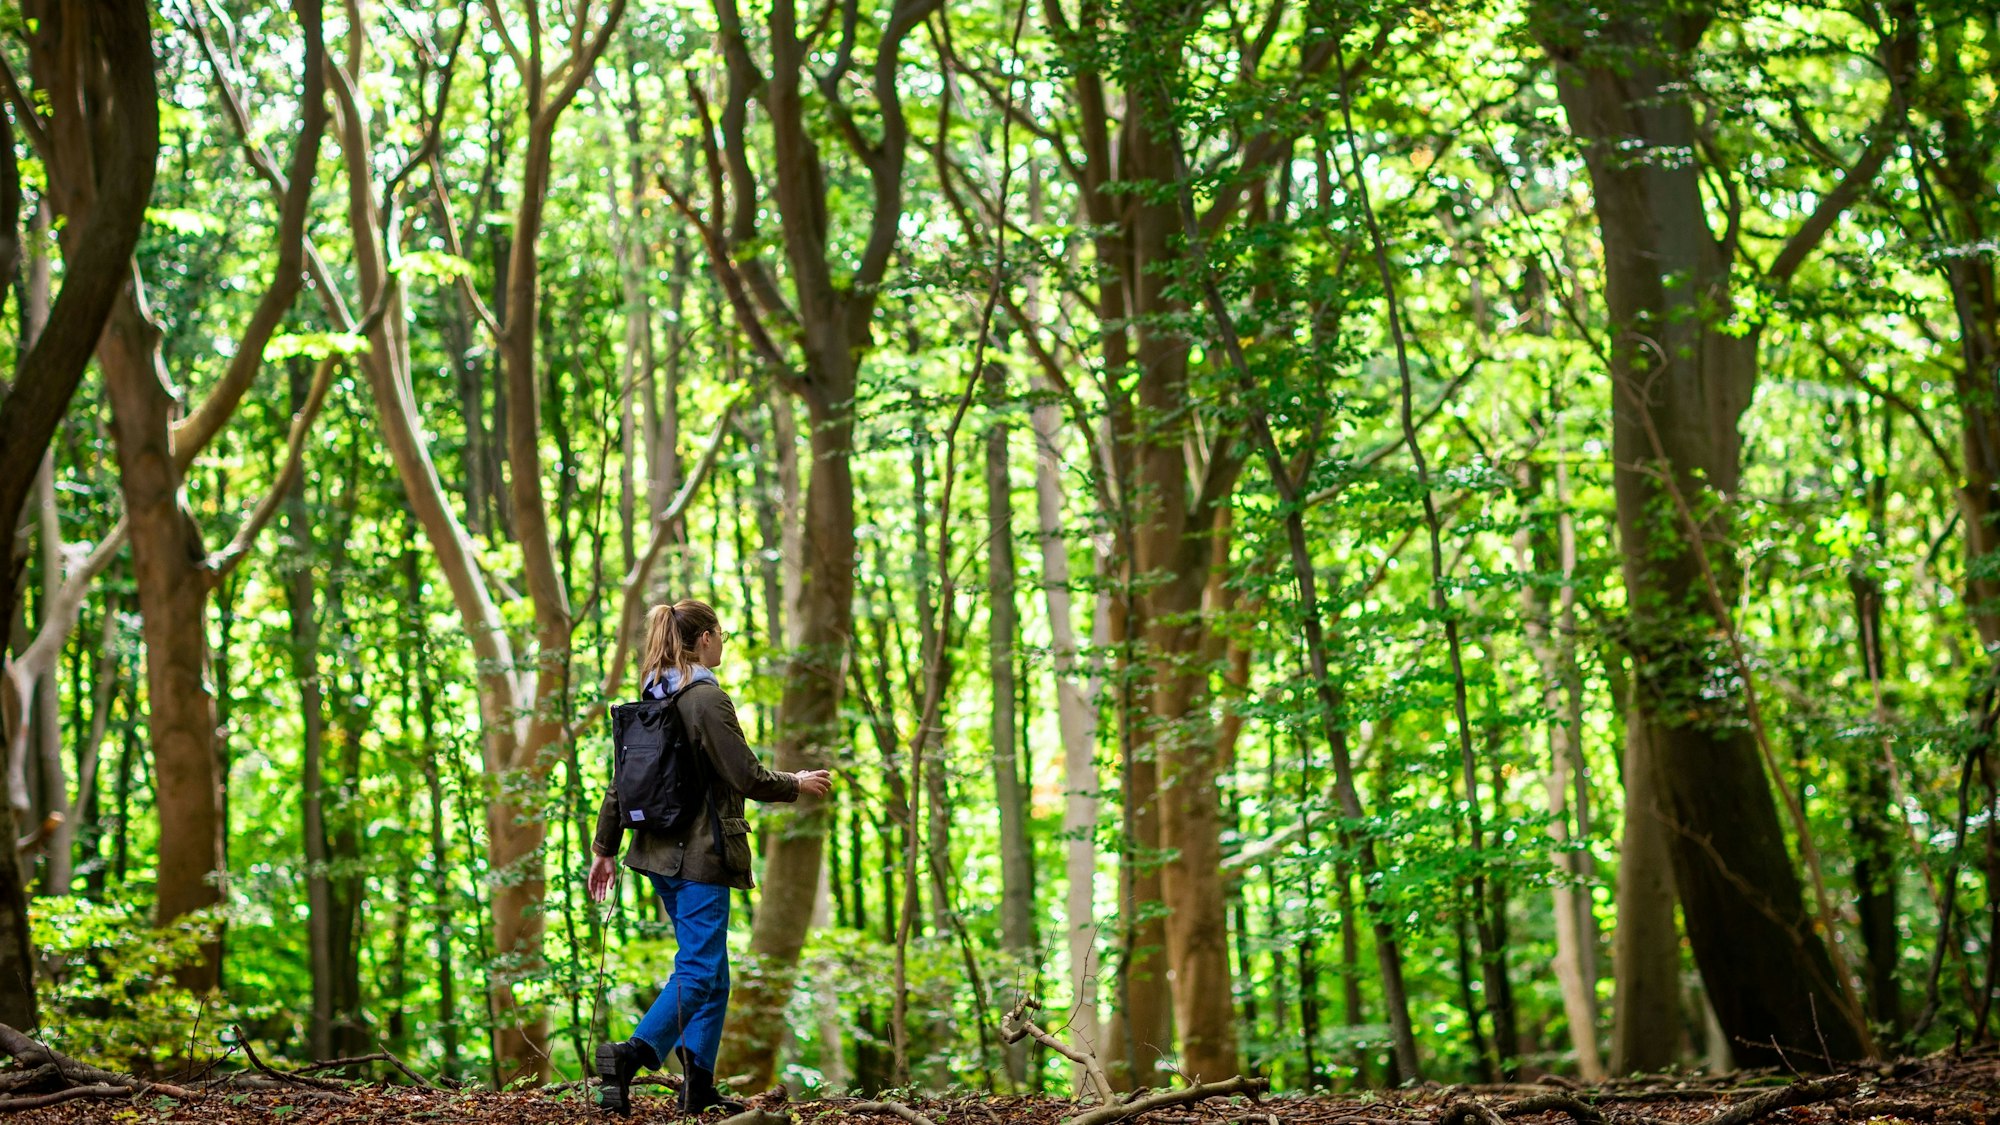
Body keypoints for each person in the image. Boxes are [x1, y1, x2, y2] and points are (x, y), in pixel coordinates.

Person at [588, 599, 833, 1116]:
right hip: (699, 856)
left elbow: (619, 784)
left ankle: (697, 1083)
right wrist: (796, 783)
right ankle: (631, 1056)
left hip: (656, 854)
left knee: (713, 972)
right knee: (699, 970)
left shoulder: (652, 697)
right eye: (720, 635)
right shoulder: (705, 699)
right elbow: (745, 775)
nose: (722, 644)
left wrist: (604, 848)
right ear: (704, 639)